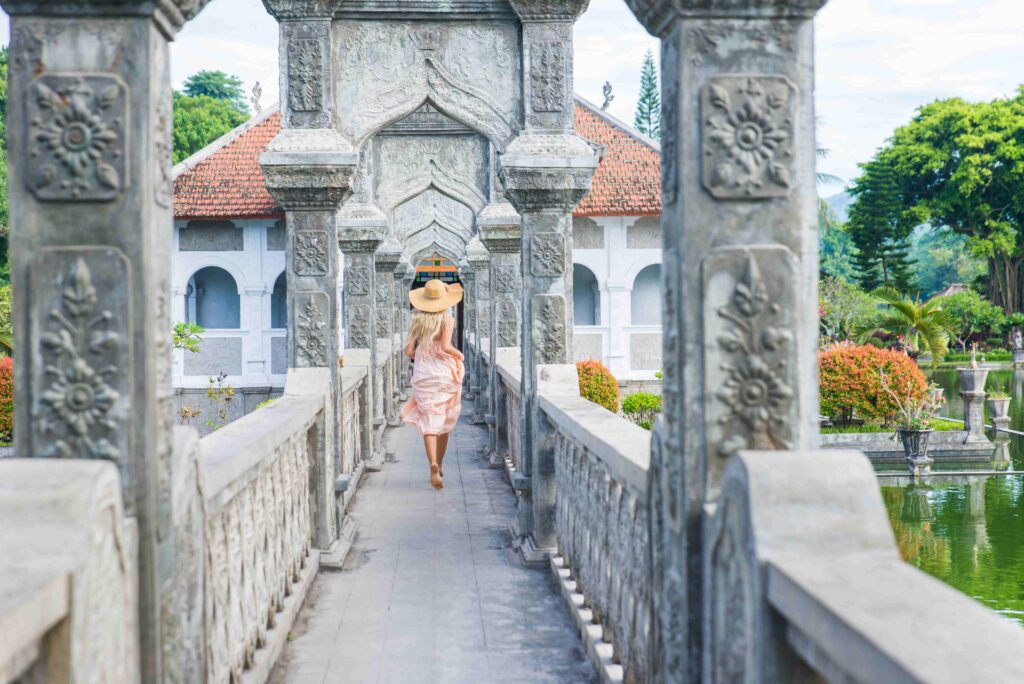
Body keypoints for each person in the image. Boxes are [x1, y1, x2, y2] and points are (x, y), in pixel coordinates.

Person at [399, 279, 465, 489]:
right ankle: (441, 462)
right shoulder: (447, 319)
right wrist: (459, 354)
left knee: (429, 420)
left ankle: (432, 464)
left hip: (424, 373)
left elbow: (409, 351)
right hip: (444, 373)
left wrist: (422, 352)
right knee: (444, 419)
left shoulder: (416, 320)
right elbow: (446, 346)